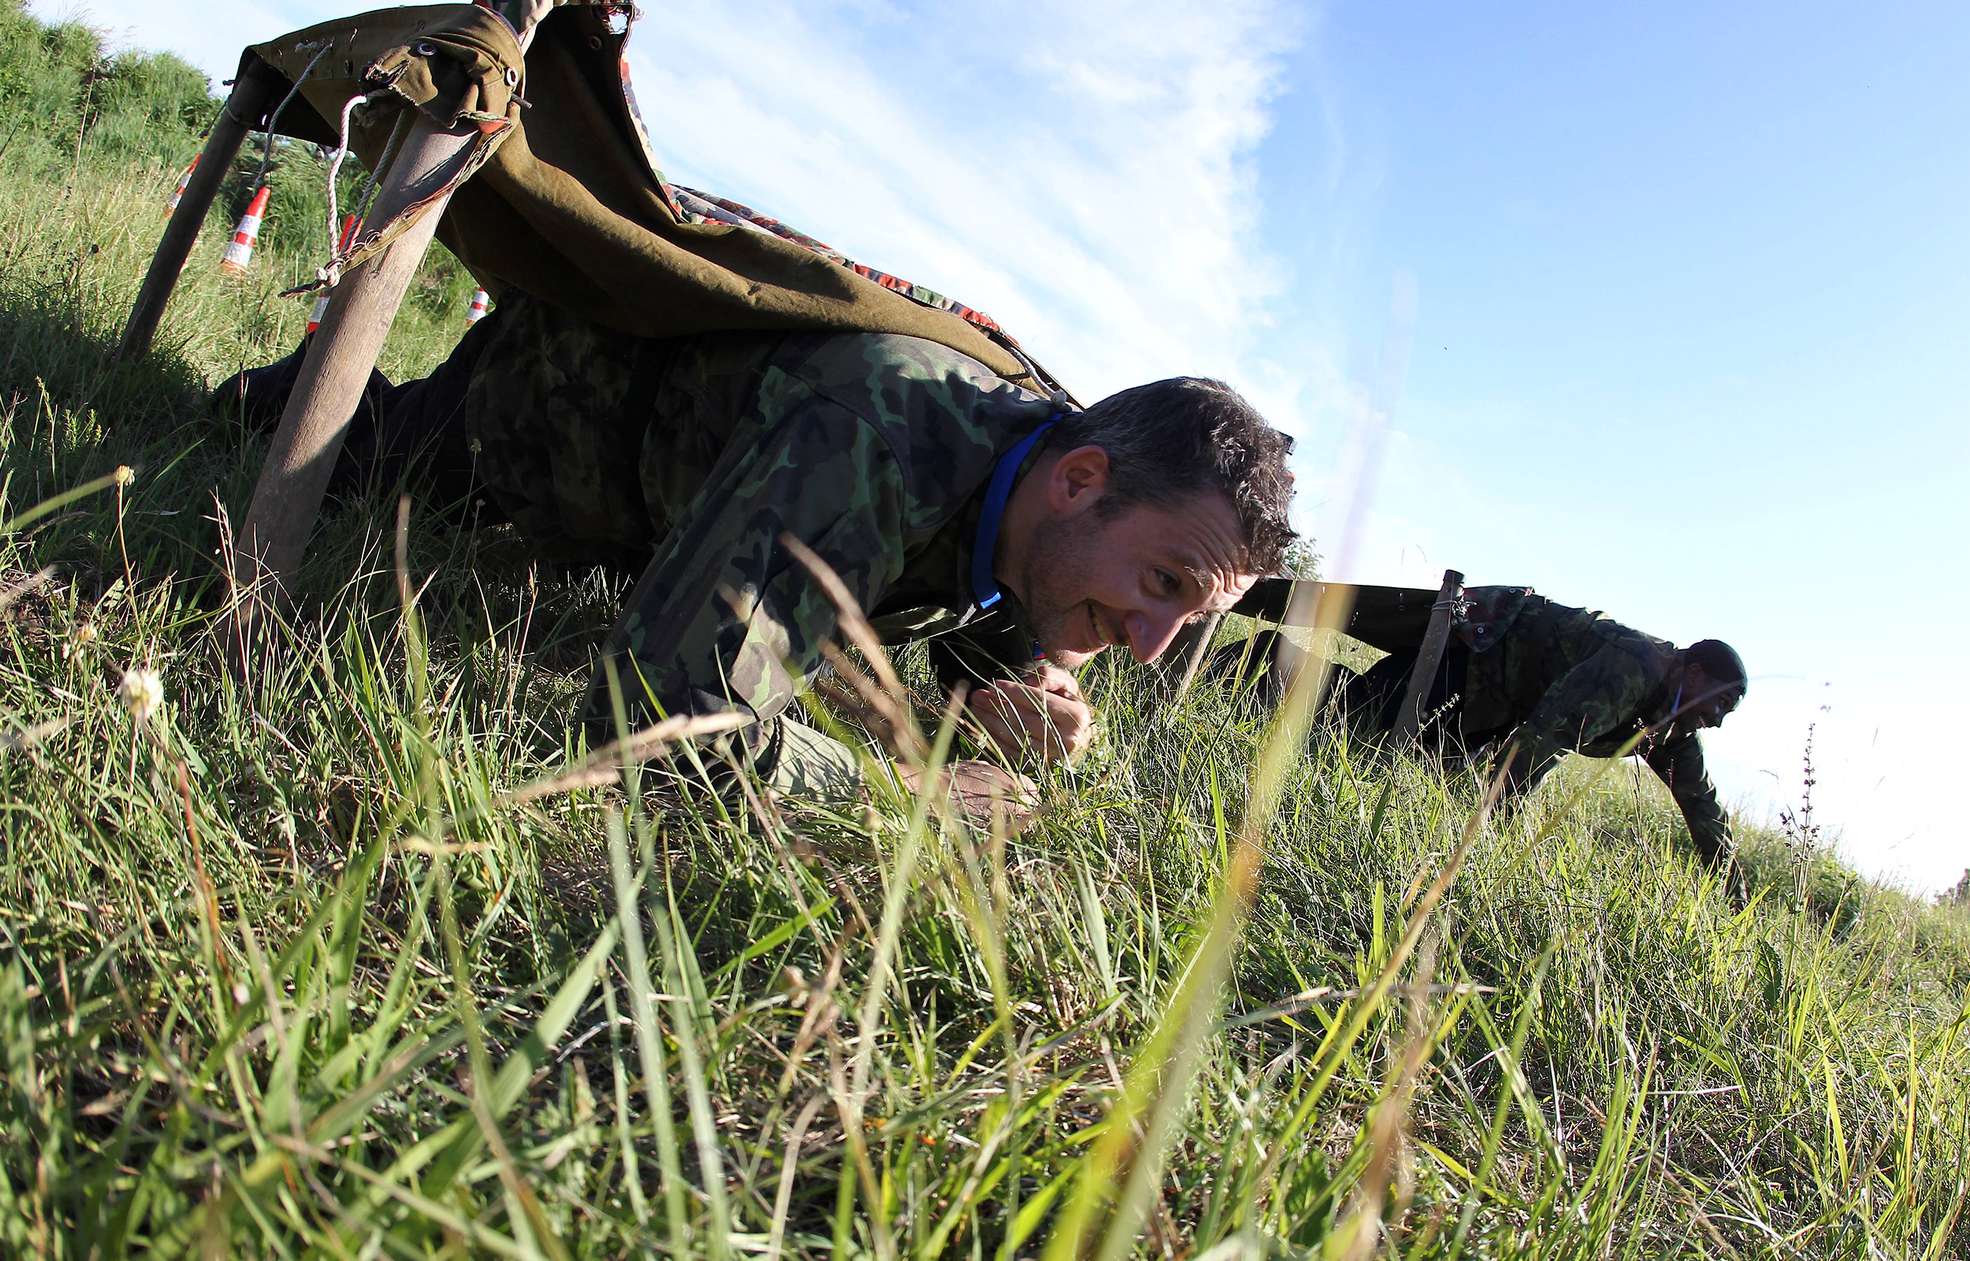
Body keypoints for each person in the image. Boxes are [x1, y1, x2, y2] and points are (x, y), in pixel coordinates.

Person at [220, 291, 1298, 820]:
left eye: (1188, 620)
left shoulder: (1051, 504)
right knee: (331, 443)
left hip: (675, 498)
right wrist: (905, 799)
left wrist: (1029, 699)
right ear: (1080, 481)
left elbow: (1006, 635)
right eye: (1159, 586)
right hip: (543, 414)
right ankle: (272, 388)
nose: (1152, 648)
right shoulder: (874, 436)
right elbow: (660, 721)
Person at [1216, 587, 1748, 882]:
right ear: (1695, 672)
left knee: (1389, 751)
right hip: (1478, 649)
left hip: (1491, 702)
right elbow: (1543, 739)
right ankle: (1255, 661)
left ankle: (1264, 670)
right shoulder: (1634, 668)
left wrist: (1732, 886)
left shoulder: (1672, 725)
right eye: (1720, 702)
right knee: (1362, 716)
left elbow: (1701, 805)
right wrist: (1490, 833)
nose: (1719, 720)